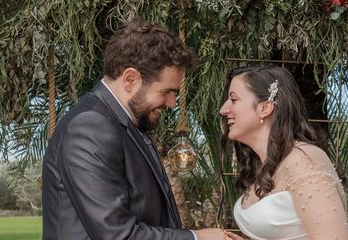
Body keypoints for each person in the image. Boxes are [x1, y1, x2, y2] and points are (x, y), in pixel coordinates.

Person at [42, 18, 225, 240]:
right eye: (166, 91)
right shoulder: (89, 128)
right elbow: (117, 235)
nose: (171, 103)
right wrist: (197, 238)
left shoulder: (126, 122)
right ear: (130, 79)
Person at [219, 65, 348, 240]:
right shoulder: (264, 164)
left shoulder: (304, 160)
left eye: (233, 100)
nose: (223, 109)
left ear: (265, 108)